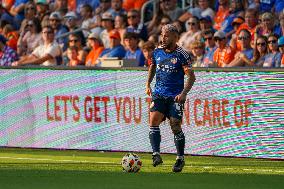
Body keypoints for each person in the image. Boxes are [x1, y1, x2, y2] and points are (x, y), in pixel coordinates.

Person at [145, 24, 196, 173]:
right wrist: (148, 84)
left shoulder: (182, 54)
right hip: (159, 94)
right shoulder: (157, 52)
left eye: (167, 35)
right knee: (153, 121)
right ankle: (156, 155)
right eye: (162, 34)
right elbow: (152, 67)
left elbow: (191, 77)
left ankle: (180, 158)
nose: (163, 38)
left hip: (175, 97)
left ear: (175, 37)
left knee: (175, 126)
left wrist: (184, 93)